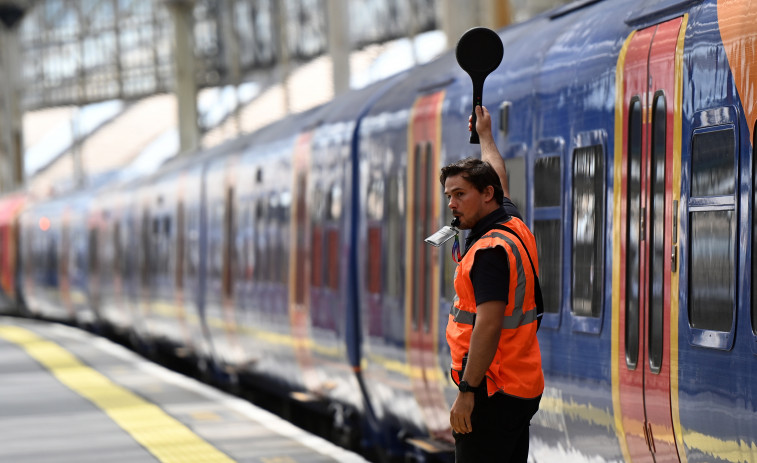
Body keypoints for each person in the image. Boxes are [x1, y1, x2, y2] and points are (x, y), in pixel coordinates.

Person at [442, 105, 543, 462]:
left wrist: (467, 391)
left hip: (492, 389)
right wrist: (485, 136)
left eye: (459, 195)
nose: (452, 204)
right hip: (519, 384)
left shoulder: (489, 253)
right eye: (448, 196)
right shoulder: (511, 225)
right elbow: (498, 176)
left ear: (486, 195)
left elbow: (487, 324)